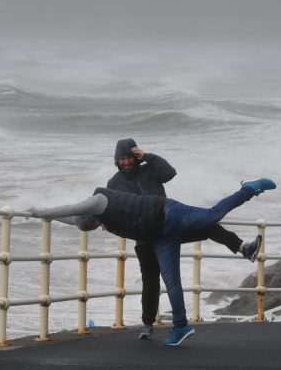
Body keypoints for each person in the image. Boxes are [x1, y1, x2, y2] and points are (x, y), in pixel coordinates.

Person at [28, 178, 276, 346]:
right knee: (172, 281)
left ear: (91, 216)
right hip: (159, 236)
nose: (96, 226)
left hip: (167, 212)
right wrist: (36, 216)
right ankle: (180, 327)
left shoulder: (98, 200)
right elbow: (73, 219)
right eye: (92, 227)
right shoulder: (95, 219)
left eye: (92, 224)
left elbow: (72, 208)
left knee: (212, 216)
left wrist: (43, 212)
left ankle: (249, 189)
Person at [107, 138, 261, 340]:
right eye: (122, 159)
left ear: (135, 158)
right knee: (150, 282)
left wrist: (148, 157)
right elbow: (114, 213)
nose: (125, 162)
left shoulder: (150, 169)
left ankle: (244, 249)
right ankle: (147, 324)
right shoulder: (113, 184)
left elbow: (170, 173)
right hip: (144, 239)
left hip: (169, 229)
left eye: (129, 158)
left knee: (208, 225)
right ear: (116, 161)